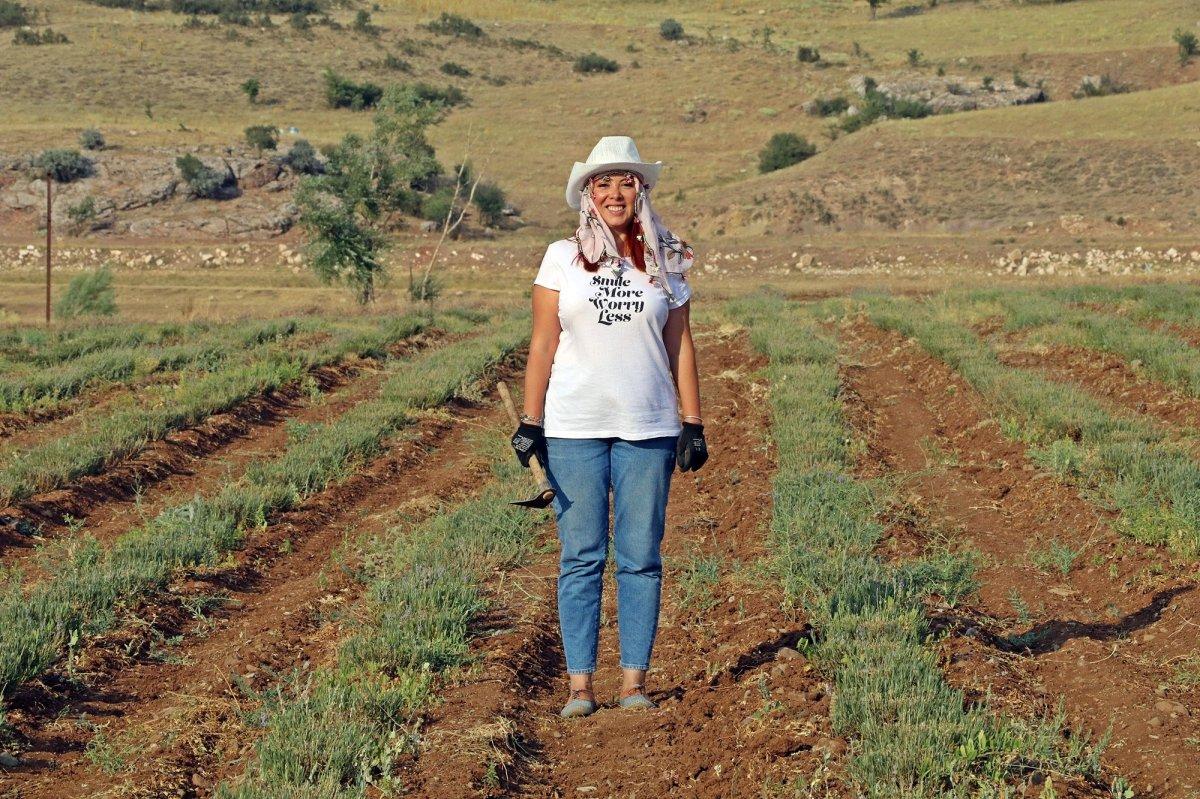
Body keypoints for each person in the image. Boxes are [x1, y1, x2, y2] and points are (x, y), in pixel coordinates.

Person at [510, 136, 709, 719]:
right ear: (587, 194)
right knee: (581, 555)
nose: (615, 193)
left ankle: (634, 685)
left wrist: (692, 423)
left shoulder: (668, 258)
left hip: (648, 426)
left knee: (641, 556)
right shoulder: (559, 258)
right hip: (575, 427)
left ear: (641, 190)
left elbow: (681, 346)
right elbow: (543, 344)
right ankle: (579, 688)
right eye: (604, 183)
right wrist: (531, 421)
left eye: (626, 182)